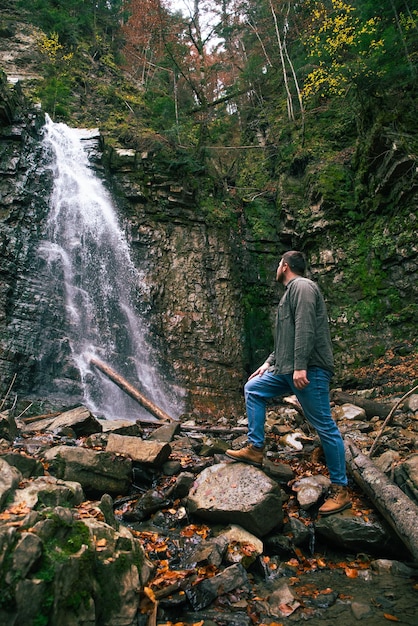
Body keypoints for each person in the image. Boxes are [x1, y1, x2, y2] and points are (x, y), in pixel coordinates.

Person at [226, 250, 351, 515]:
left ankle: (341, 489)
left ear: (285, 266)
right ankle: (256, 448)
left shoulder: (303, 287)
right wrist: (267, 364)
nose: (276, 268)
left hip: (309, 370)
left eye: (278, 264)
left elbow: (305, 327)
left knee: (324, 426)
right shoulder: (289, 294)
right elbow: (286, 338)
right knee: (254, 389)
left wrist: (301, 365)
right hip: (285, 368)